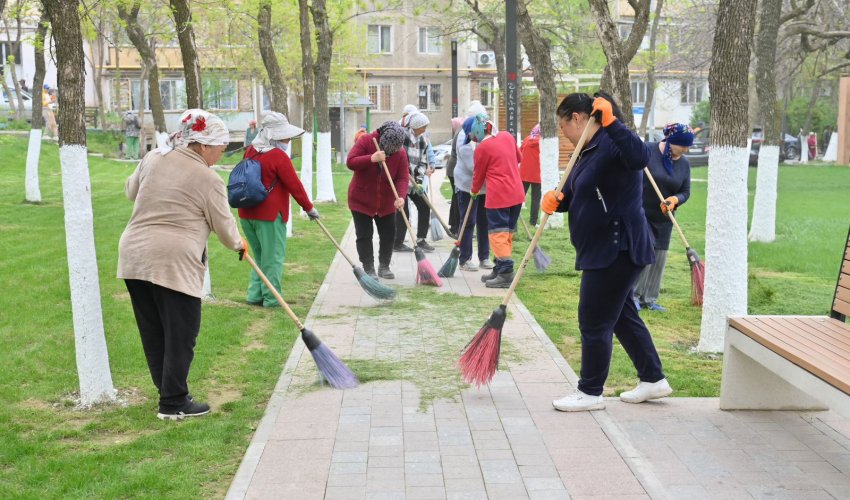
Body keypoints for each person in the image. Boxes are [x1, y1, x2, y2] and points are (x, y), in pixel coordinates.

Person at [541, 92, 671, 412]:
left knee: (594, 320)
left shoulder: (612, 142)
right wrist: (557, 201)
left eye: (563, 126)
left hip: (617, 247)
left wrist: (613, 122)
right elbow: (575, 194)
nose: (564, 133)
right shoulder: (587, 152)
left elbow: (640, 156)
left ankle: (590, 391)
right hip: (602, 248)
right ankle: (653, 379)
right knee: (622, 316)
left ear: (578, 118)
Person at [118, 109, 246, 420]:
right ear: (202, 145)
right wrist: (239, 244)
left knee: (155, 331)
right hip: (173, 260)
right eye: (219, 148)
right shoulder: (208, 178)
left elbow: (130, 191)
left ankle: (169, 395)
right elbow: (224, 226)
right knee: (181, 332)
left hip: (134, 255)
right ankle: (173, 402)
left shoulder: (154, 157)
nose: (220, 154)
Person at [240, 112, 318, 307]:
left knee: (259, 256)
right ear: (273, 135)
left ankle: (254, 295)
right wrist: (309, 208)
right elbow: (295, 185)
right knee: (273, 258)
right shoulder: (278, 156)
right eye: (285, 136)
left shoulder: (250, 151)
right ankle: (272, 298)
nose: (288, 140)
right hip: (270, 216)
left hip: (246, 214)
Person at [633, 122, 694, 312]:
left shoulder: (683, 164)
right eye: (682, 145)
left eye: (687, 146)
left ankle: (649, 299)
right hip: (642, 212)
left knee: (659, 257)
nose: (685, 150)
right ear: (671, 141)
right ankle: (633, 296)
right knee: (645, 253)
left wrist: (675, 199)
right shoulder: (648, 152)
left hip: (665, 217)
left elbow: (685, 191)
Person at [346, 120, 409, 279]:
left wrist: (401, 196)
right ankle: (368, 268)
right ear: (383, 140)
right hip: (361, 199)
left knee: (388, 234)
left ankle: (384, 266)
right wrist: (371, 158)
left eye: (395, 150)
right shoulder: (366, 141)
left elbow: (402, 177)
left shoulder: (400, 152)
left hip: (387, 201)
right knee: (364, 235)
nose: (392, 153)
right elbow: (350, 162)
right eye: (389, 151)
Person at [468, 114, 525, 288]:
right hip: (517, 194)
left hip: (498, 196)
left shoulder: (481, 149)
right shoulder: (507, 136)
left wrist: (474, 191)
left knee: (497, 234)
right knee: (507, 233)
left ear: (477, 133)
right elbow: (519, 158)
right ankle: (499, 267)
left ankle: (506, 273)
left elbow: (479, 174)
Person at [453, 115, 492, 272]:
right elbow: (475, 168)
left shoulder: (488, 135)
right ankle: (465, 258)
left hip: (486, 186)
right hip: (467, 185)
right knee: (469, 221)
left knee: (485, 221)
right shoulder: (465, 143)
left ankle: (484, 257)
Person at [394, 111, 436, 253]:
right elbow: (397, 157)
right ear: (416, 126)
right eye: (423, 126)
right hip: (400, 180)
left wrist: (419, 180)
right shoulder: (403, 137)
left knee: (424, 206)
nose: (425, 129)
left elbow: (423, 161)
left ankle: (421, 240)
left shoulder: (424, 139)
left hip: (413, 181)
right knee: (403, 211)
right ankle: (397, 242)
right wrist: (403, 172)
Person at [520, 123, 542, 226]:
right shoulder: (542, 142)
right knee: (535, 199)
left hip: (524, 173)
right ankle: (533, 222)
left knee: (519, 197)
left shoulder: (526, 139)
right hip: (537, 174)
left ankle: (512, 217)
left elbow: (519, 153)